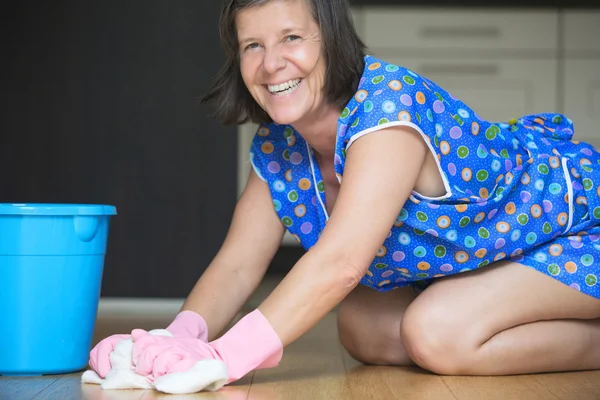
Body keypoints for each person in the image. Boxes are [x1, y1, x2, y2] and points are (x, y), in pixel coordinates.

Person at [89, 0, 600, 384]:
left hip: (578, 230)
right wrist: (179, 337)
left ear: (331, 39)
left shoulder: (387, 112)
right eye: (253, 46)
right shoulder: (280, 146)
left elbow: (342, 263)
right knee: (364, 325)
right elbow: (238, 265)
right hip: (490, 254)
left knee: (436, 332)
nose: (271, 65)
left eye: (292, 38)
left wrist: (225, 358)